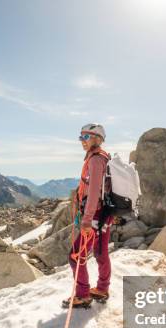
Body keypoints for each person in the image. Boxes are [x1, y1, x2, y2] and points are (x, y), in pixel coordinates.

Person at [62, 123, 113, 309]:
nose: (82, 141)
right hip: (103, 214)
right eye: (80, 137)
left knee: (76, 256)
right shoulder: (101, 158)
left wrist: (86, 219)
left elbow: (93, 193)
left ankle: (83, 295)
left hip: (94, 215)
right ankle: (102, 288)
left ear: (97, 139)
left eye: (86, 137)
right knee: (100, 251)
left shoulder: (95, 160)